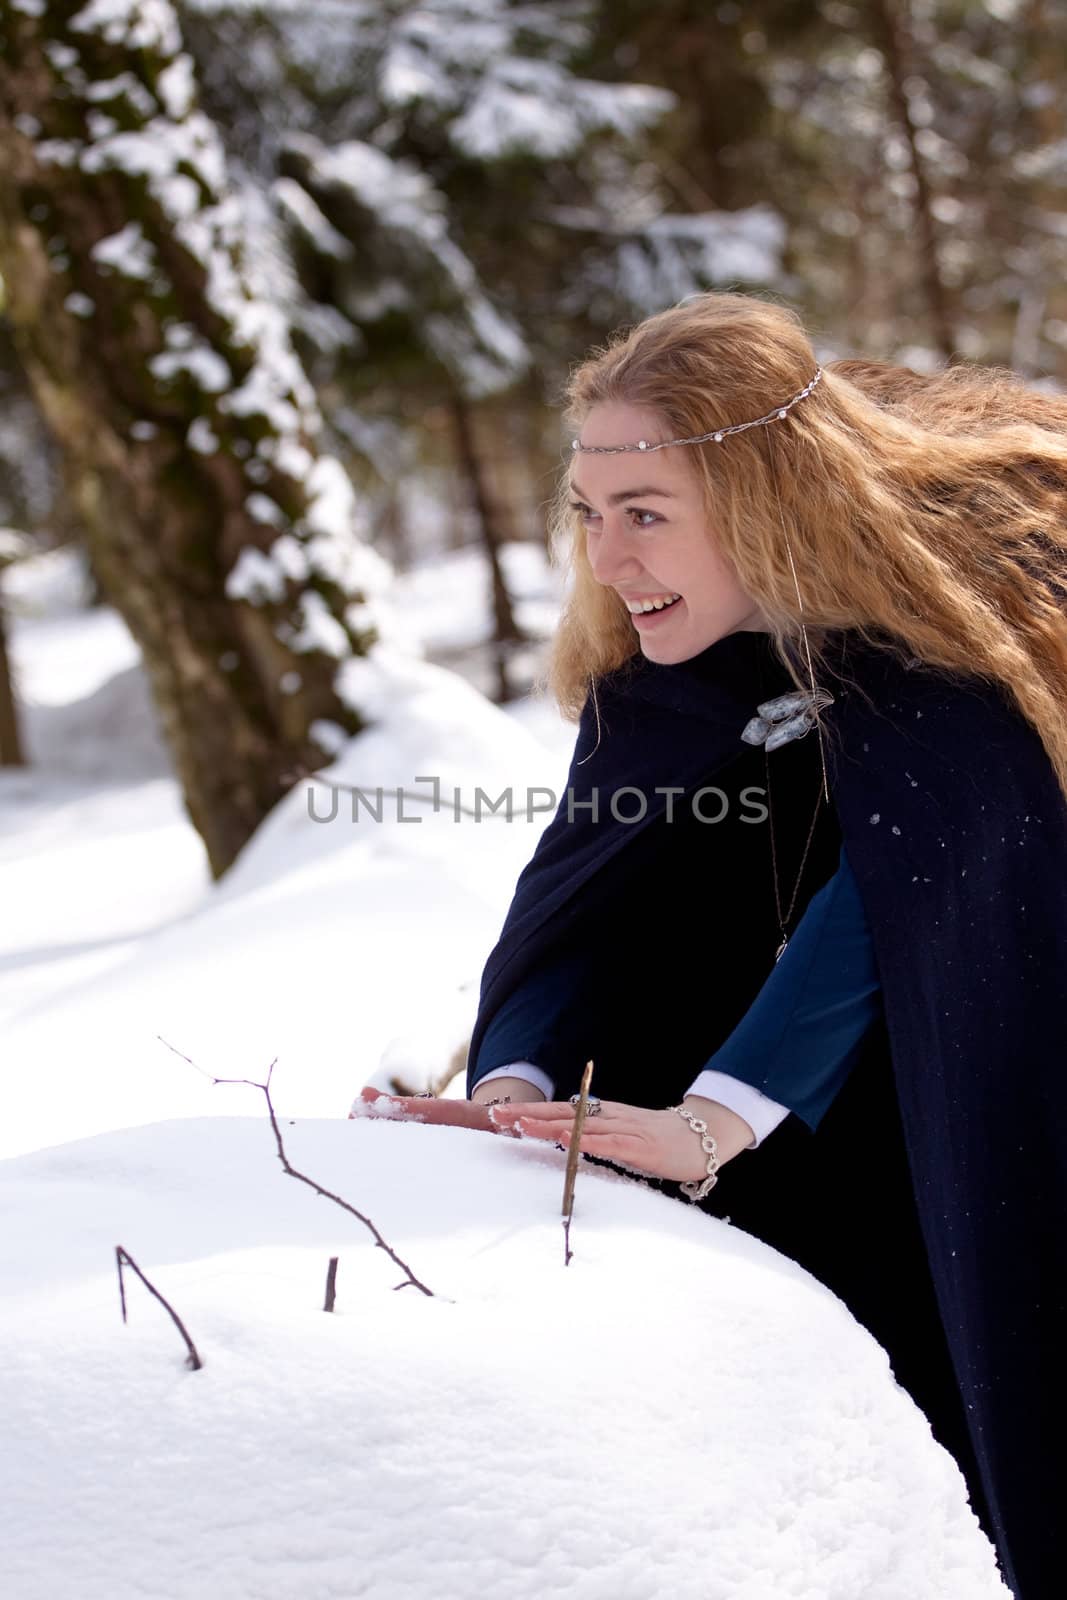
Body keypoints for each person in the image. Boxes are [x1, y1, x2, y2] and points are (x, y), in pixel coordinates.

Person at [359, 292, 1067, 1600]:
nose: (609, 560)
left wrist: (718, 1115)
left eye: (645, 517)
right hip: (803, 1128)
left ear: (761, 500)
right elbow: (583, 904)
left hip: (985, 1035)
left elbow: (904, 896)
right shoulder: (659, 664)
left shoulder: (945, 657)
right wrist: (514, 1089)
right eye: (587, 514)